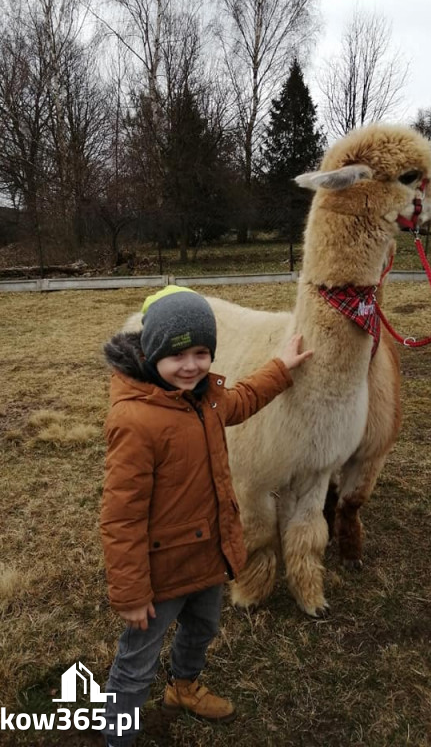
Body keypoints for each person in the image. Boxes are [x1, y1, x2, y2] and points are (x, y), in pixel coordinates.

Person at [100, 286, 312, 746]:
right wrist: (132, 592)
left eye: (201, 352)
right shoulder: (135, 422)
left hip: (208, 557)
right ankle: (118, 736)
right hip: (160, 575)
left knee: (203, 629)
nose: (192, 365)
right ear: (152, 350)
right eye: (178, 354)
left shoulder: (207, 398)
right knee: (137, 661)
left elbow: (245, 398)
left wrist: (281, 368)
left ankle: (184, 687)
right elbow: (121, 517)